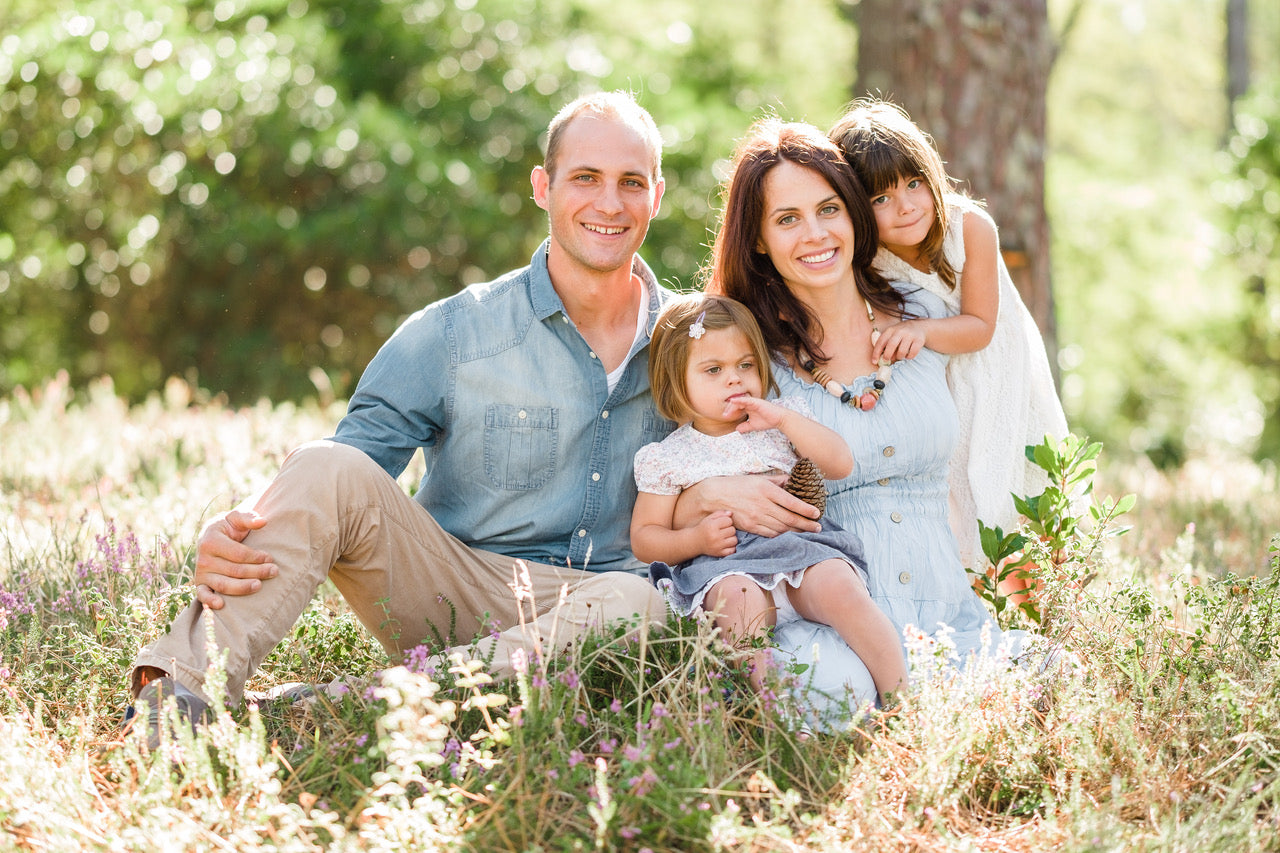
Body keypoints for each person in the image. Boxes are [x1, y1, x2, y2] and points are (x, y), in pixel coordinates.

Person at [123, 90, 703, 742]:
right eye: (585, 178)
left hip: (601, 615)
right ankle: (180, 697)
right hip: (452, 587)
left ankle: (331, 710)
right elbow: (344, 477)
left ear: (656, 195)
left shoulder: (702, 345)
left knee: (641, 603)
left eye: (630, 182)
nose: (608, 202)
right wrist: (242, 526)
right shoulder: (457, 331)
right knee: (325, 465)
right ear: (543, 187)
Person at [682, 117, 1034, 719]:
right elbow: (683, 473)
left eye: (828, 209)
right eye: (787, 219)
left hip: (946, 613)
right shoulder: (748, 359)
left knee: (1050, 687)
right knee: (830, 702)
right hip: (831, 618)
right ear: (759, 239)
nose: (815, 234)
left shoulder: (923, 313)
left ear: (853, 215)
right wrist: (713, 494)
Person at [828, 98, 1069, 575]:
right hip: (942, 389)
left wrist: (920, 330)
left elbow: (980, 328)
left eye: (914, 183)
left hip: (999, 378)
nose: (906, 206)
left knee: (1024, 496)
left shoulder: (969, 228)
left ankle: (1054, 619)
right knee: (963, 506)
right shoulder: (867, 259)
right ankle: (981, 616)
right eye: (881, 199)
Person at [630, 294, 907, 704]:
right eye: (713, 370)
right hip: (725, 567)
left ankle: (904, 703)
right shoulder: (666, 457)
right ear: (676, 381)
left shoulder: (780, 420)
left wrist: (783, 420)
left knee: (841, 586)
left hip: (801, 551)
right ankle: (774, 717)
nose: (734, 379)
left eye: (745, 365)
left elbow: (839, 463)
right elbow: (645, 538)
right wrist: (696, 541)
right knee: (737, 606)